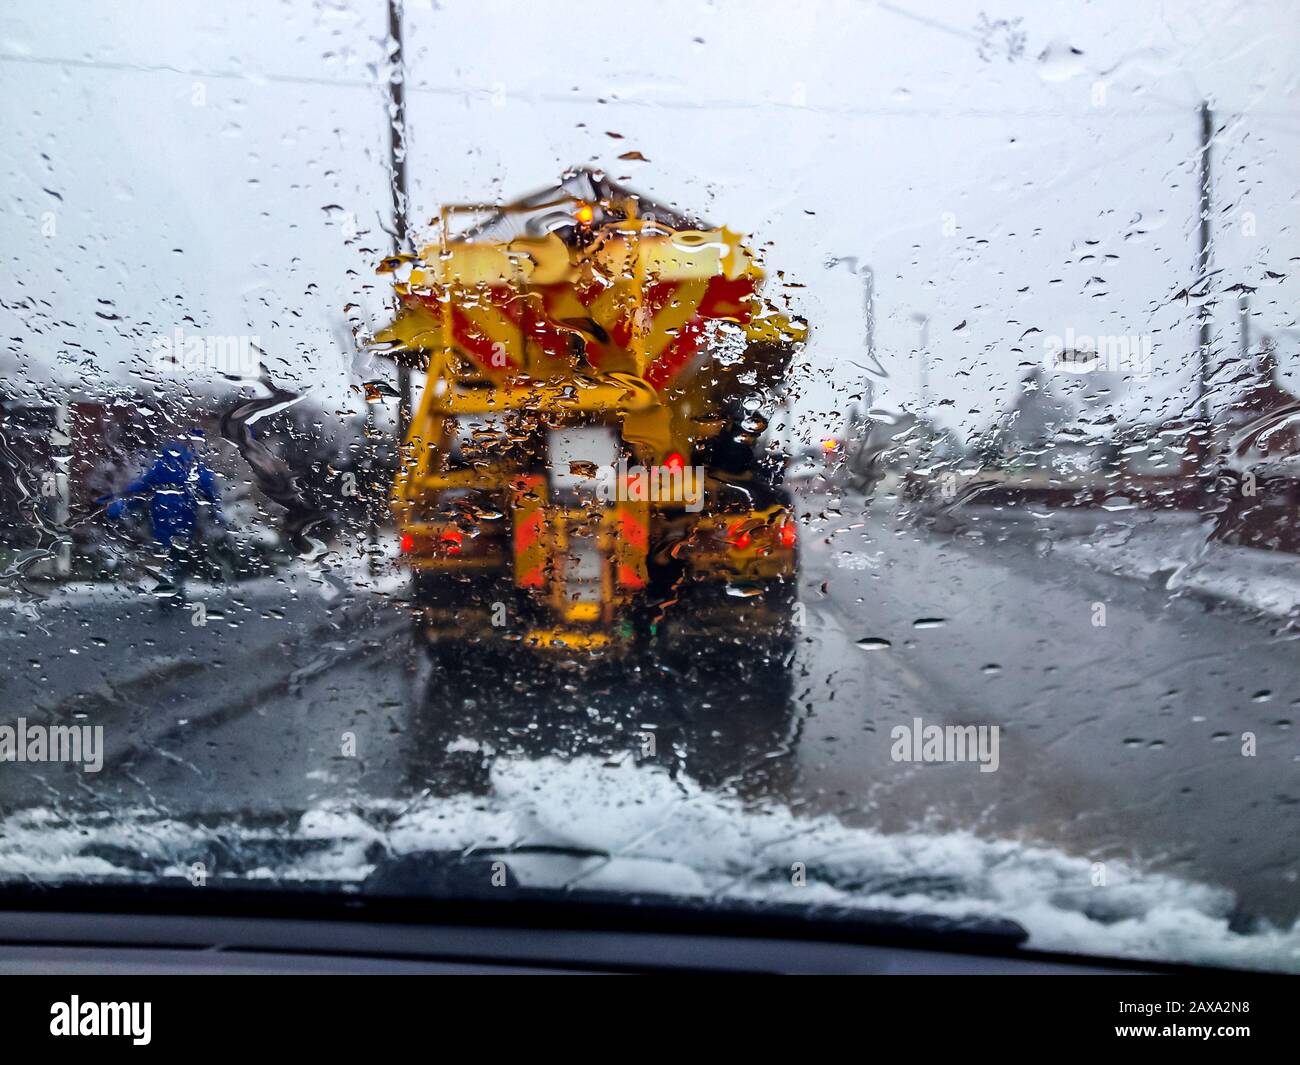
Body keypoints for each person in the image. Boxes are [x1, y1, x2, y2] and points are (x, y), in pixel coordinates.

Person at [99, 432, 224, 601]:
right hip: (185, 519)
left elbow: (139, 489)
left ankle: (169, 588)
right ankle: (174, 588)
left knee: (168, 553)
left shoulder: (160, 467)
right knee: (178, 554)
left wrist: (113, 504)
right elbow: (208, 488)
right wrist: (216, 511)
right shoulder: (193, 467)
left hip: (161, 517)